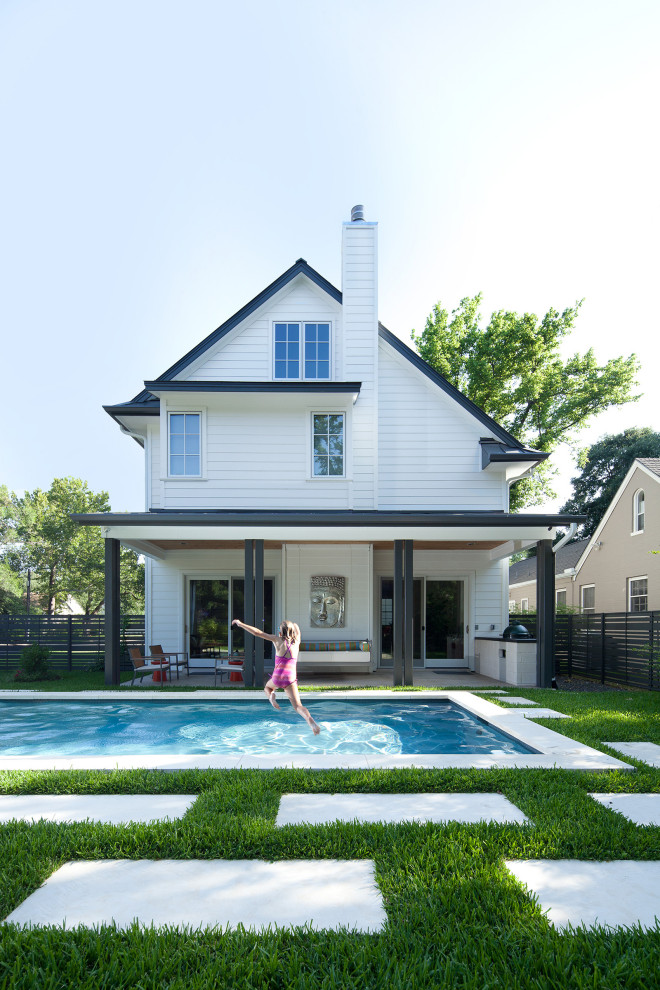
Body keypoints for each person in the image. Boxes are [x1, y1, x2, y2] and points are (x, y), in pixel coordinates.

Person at [231, 618, 321, 735]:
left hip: (277, 677)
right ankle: (309, 720)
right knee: (298, 706)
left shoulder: (276, 639)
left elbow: (257, 633)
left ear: (280, 632)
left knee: (268, 688)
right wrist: (294, 625)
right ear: (292, 632)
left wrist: (240, 624)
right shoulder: (297, 641)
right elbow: (297, 629)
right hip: (290, 679)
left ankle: (271, 696)